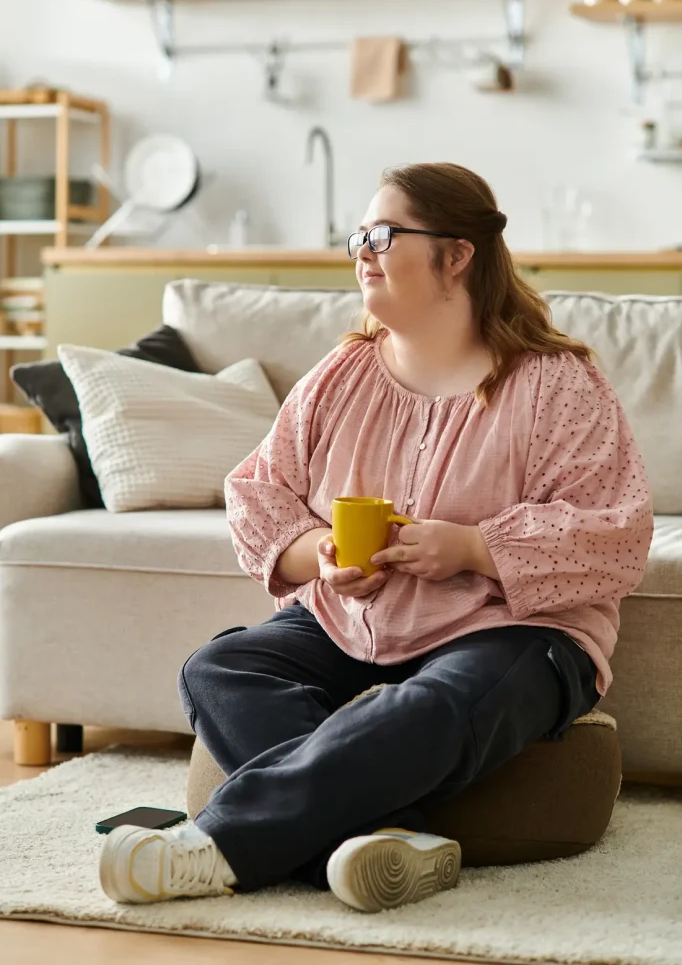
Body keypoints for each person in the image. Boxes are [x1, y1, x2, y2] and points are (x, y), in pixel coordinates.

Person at [99, 163, 653, 913]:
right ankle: (390, 839)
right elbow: (258, 492)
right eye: (358, 237)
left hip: (516, 633)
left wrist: (469, 549)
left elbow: (617, 534)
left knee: (429, 707)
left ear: (457, 255)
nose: (362, 252)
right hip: (355, 623)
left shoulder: (557, 383)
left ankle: (220, 847)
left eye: (382, 235)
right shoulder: (342, 374)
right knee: (218, 670)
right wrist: (319, 559)